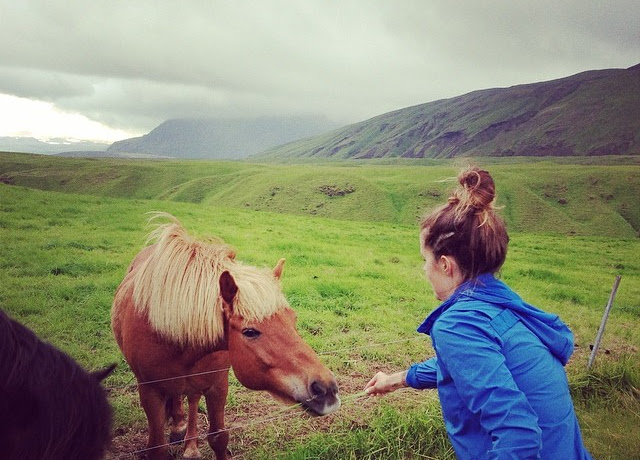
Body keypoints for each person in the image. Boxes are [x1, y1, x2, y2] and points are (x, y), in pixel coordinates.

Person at [364, 167, 593, 460]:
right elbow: (474, 365)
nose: (424, 269)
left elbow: (519, 436)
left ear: (445, 264)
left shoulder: (457, 325)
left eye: (425, 260)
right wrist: (398, 379)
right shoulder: (502, 304)